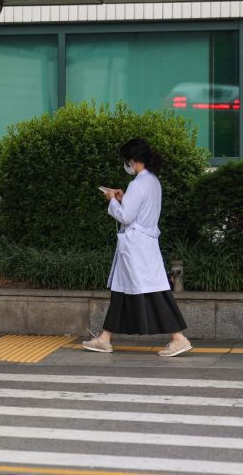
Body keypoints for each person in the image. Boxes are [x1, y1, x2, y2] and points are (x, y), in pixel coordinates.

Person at [82, 138, 192, 357]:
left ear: (133, 160)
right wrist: (124, 199)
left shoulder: (138, 184)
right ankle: (105, 338)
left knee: (151, 291)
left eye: (127, 160)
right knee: (122, 291)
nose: (126, 165)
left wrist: (112, 200)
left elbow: (127, 216)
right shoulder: (152, 181)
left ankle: (178, 338)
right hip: (144, 243)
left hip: (135, 246)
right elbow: (139, 211)